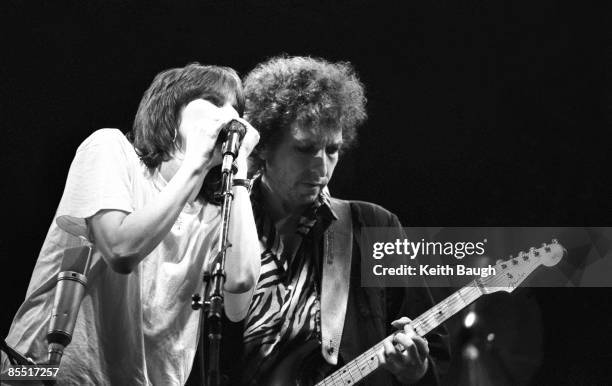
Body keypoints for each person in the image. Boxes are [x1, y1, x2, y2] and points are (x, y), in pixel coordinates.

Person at [1, 63, 260, 385]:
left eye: (236, 108)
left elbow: (240, 293)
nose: (229, 116)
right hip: (44, 373)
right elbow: (121, 250)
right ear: (170, 109)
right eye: (213, 101)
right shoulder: (111, 150)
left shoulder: (215, 213)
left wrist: (239, 178)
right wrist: (196, 163)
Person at [231, 55, 450, 385]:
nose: (322, 169)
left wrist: (417, 371)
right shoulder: (223, 221)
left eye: (331, 150)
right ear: (263, 147)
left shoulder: (375, 227)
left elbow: (435, 356)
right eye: (304, 149)